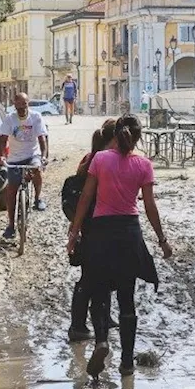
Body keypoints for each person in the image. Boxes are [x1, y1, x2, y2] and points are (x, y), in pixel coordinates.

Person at [67, 114, 172, 378]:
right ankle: (126, 363)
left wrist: (74, 232)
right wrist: (162, 240)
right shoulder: (144, 165)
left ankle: (102, 341)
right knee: (127, 299)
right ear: (137, 138)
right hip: (129, 234)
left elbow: (86, 198)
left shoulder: (100, 160)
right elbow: (149, 207)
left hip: (101, 234)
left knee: (98, 294)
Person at [66, 120, 117, 342]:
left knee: (93, 276)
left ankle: (93, 320)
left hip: (89, 226)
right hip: (98, 226)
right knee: (91, 278)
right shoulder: (102, 162)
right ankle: (79, 325)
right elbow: (87, 196)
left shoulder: (90, 159)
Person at [0, 92, 49, 239]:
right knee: (11, 190)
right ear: (15, 105)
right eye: (19, 105)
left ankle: (38, 198)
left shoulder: (36, 117)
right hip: (14, 159)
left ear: (28, 104)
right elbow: (2, 139)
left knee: (36, 169)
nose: (22, 108)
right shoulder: (9, 119)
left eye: (24, 104)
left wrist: (44, 156)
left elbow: (42, 139)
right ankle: (11, 226)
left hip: (32, 155)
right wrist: (2, 155)